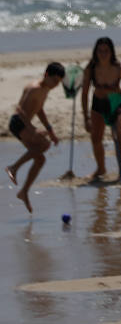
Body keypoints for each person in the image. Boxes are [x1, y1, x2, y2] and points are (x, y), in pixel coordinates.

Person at [6, 62, 65, 213]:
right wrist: (32, 129)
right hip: (18, 122)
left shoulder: (45, 89)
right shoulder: (34, 88)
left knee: (40, 159)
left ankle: (24, 192)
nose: (56, 85)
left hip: (25, 124)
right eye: (55, 81)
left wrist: (50, 130)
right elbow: (19, 110)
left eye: (58, 82)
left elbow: (39, 110)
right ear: (46, 75)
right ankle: (13, 167)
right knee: (44, 145)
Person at [80, 36, 121, 183]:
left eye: (106, 51)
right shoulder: (91, 69)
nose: (103, 54)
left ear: (111, 52)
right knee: (95, 138)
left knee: (117, 136)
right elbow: (85, 93)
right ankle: (101, 169)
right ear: (95, 52)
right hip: (98, 103)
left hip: (116, 102)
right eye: (100, 51)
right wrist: (86, 117)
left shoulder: (119, 68)